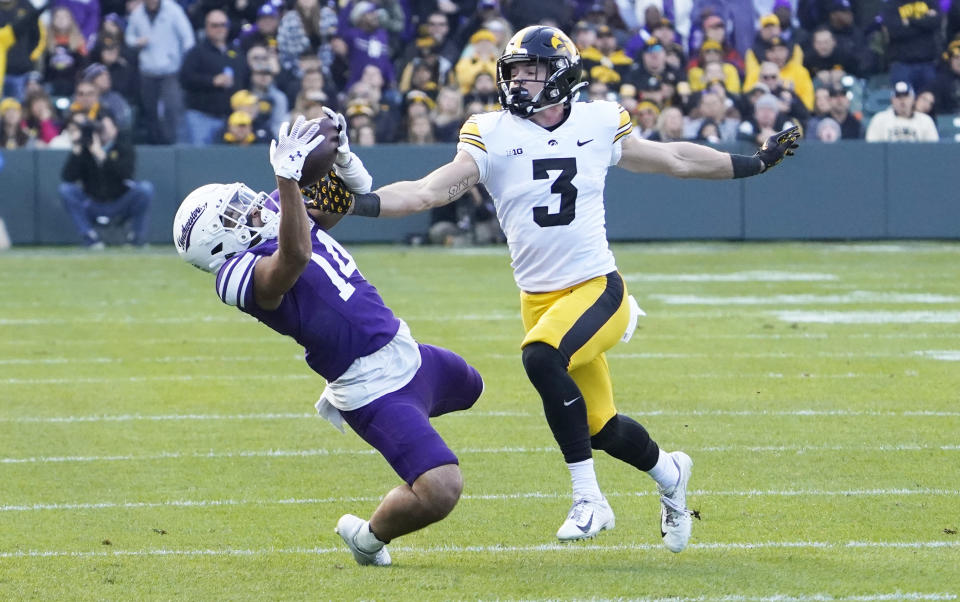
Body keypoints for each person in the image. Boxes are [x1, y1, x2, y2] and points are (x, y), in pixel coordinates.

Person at [310, 25, 800, 552]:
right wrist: (363, 204)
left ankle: (589, 500)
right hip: (539, 298)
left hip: (596, 288)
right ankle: (670, 474)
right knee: (599, 426)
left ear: (561, 73)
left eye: (531, 71)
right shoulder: (490, 132)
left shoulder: (598, 121)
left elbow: (674, 158)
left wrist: (756, 161)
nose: (519, 81)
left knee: (542, 358)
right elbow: (430, 190)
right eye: (514, 72)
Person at [172, 115, 484, 568]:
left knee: (472, 387)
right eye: (234, 213)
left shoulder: (283, 220)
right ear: (219, 242)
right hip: (370, 387)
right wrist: (287, 176)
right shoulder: (238, 275)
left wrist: (342, 158)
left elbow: (335, 205)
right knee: (440, 487)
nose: (252, 207)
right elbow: (294, 254)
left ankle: (411, 427)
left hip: (405, 350)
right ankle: (368, 538)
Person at [59, 113, 153, 247]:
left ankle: (137, 238)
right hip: (93, 202)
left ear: (115, 129)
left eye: (106, 127)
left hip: (120, 201)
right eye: (99, 128)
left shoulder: (123, 146)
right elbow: (68, 177)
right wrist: (77, 149)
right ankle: (90, 237)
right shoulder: (86, 148)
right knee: (66, 190)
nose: (102, 131)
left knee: (145, 189)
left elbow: (126, 174)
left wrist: (101, 155)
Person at [865, 81, 939, 142]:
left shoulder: (925, 120)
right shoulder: (879, 119)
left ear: (913, 99)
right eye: (898, 97)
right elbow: (872, 149)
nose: (902, 101)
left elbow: (932, 149)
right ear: (892, 100)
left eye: (906, 96)